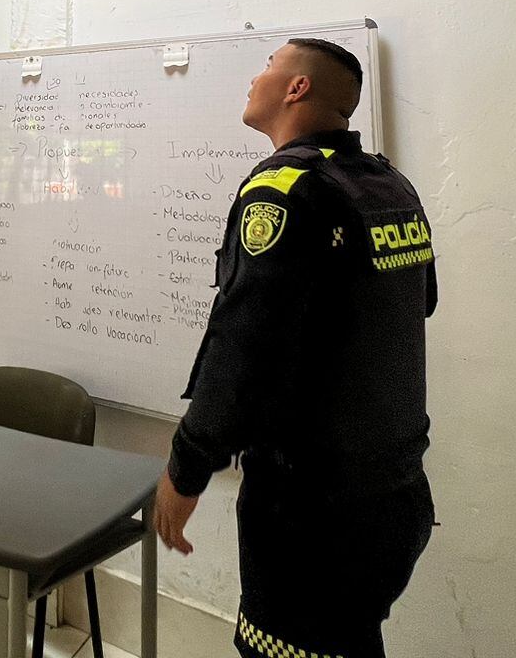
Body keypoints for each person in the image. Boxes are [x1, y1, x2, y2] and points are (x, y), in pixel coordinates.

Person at [156, 38, 438, 658]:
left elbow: (242, 347)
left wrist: (186, 469)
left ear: (296, 88)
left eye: (267, 66)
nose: (255, 78)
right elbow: (416, 306)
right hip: (396, 493)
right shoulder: (389, 185)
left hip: (313, 511)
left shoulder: (284, 192)